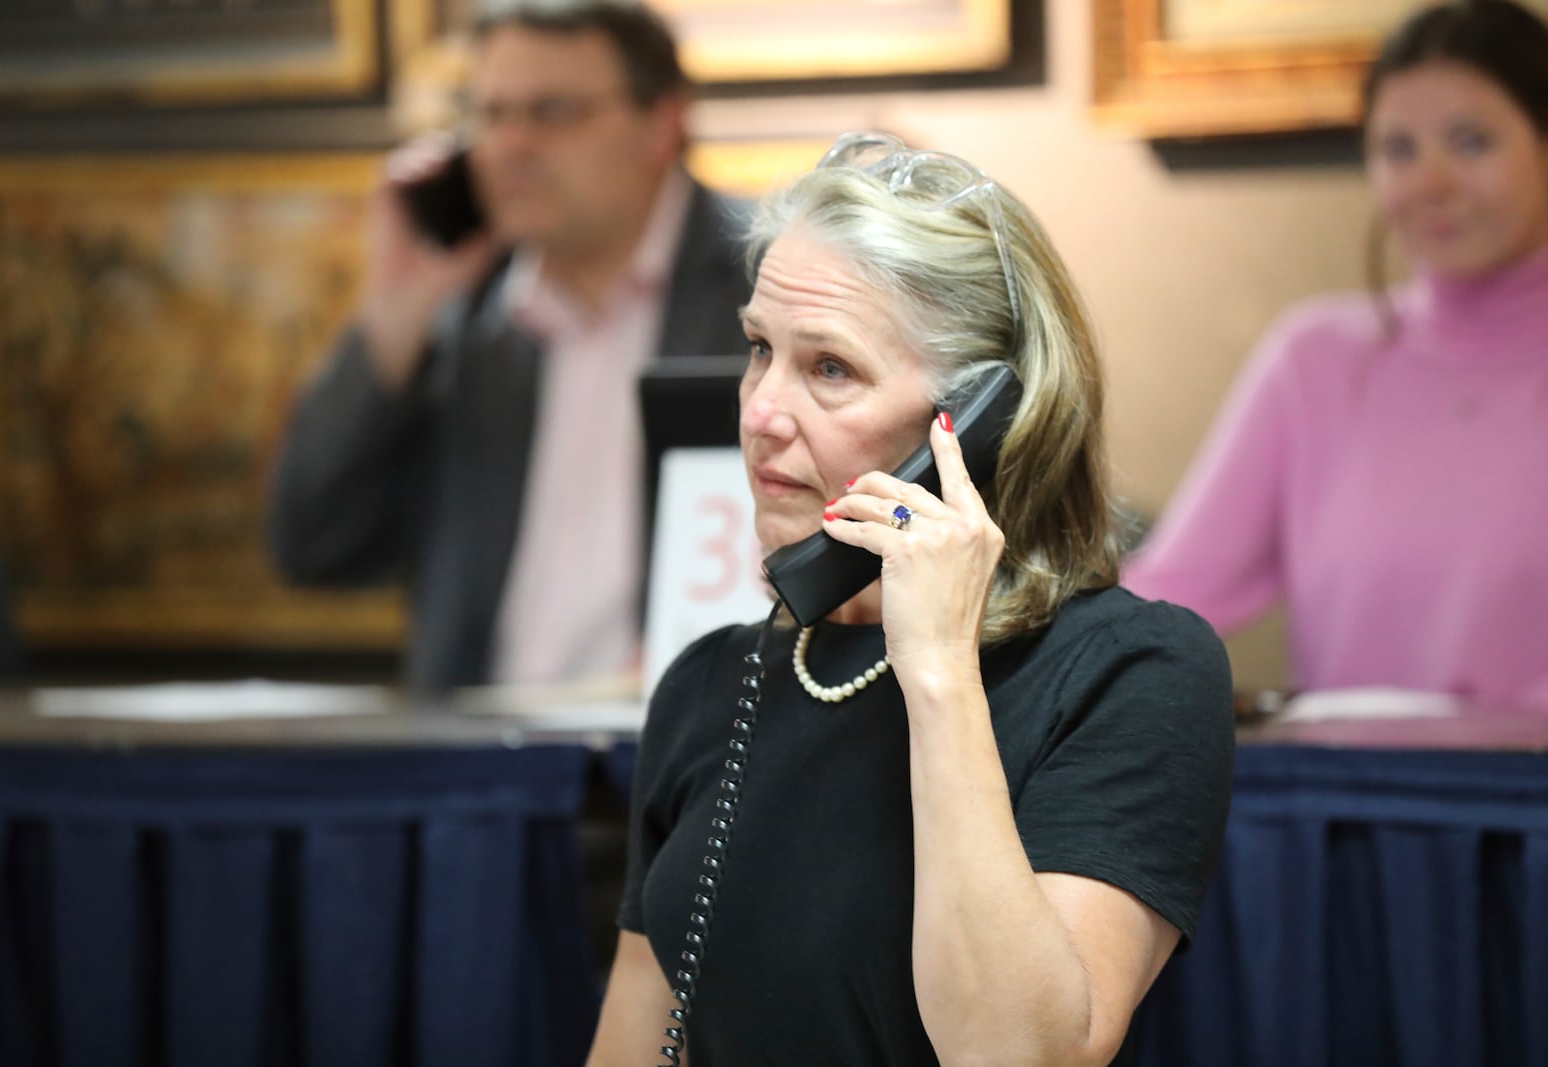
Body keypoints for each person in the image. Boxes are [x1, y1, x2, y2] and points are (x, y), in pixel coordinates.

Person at [586, 133, 1234, 1065]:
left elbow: (1021, 1053)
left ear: (973, 420)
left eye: (830, 369)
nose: (762, 411)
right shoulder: (710, 683)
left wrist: (936, 670)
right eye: (760, 349)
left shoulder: (1134, 672)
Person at [268, 0, 752, 690]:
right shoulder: (467, 317)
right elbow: (314, 544)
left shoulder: (767, 284)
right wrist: (396, 313)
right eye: (490, 114)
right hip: (478, 772)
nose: (510, 146)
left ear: (662, 124)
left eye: (552, 112)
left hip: (681, 764)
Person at [1122, 0, 1548, 711]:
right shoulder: (1314, 361)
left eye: (1471, 142)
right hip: (1346, 808)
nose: (1430, 182)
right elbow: (1169, 596)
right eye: (1399, 150)